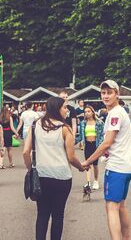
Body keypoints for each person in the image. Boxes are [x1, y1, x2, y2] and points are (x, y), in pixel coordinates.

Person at [22, 97, 85, 240]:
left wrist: (30, 169)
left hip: (42, 176)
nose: (67, 110)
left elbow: (25, 152)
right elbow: (71, 157)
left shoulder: (36, 125)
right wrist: (81, 167)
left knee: (42, 214)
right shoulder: (65, 129)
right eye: (65, 107)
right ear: (57, 109)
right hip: (61, 178)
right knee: (58, 215)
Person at [82, 80, 131, 240]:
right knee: (121, 206)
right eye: (103, 92)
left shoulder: (115, 113)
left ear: (117, 94)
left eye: (109, 92)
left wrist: (88, 161)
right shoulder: (118, 112)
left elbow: (107, 142)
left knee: (111, 207)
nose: (105, 96)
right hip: (127, 166)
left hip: (117, 167)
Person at [79, 105, 104, 190]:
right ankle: (88, 182)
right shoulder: (83, 123)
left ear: (93, 112)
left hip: (95, 145)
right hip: (87, 145)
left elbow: (102, 135)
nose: (87, 113)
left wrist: (100, 145)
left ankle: (96, 181)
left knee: (95, 164)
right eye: (85, 112)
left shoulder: (99, 122)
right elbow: (80, 136)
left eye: (89, 111)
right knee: (87, 164)